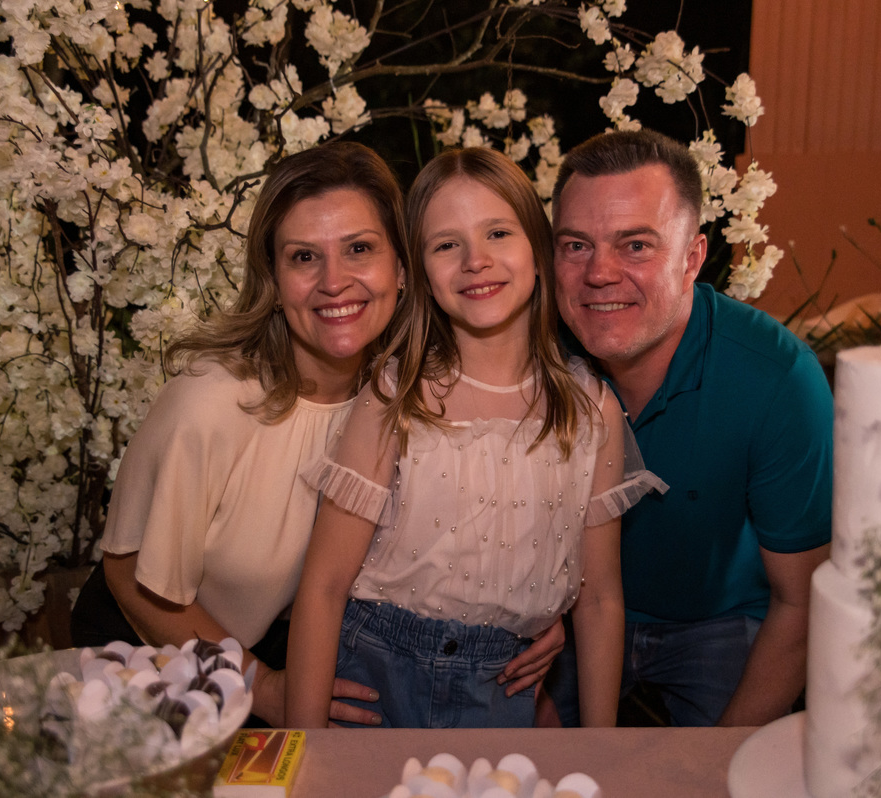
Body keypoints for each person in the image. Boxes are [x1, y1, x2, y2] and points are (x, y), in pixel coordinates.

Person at [69, 142, 560, 726]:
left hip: (289, 655)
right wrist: (258, 686)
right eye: (304, 257)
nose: (335, 281)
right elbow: (133, 581)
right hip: (146, 667)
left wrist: (523, 608)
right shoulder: (211, 403)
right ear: (274, 280)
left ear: (402, 269)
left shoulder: (407, 396)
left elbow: (452, 535)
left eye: (359, 249)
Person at [285, 147, 664, 729]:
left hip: (504, 686)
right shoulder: (395, 397)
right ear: (417, 272)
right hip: (374, 678)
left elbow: (600, 598)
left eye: (497, 233)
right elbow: (324, 586)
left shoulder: (591, 411)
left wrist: (599, 744)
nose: (475, 261)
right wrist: (303, 746)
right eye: (446, 244)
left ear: (540, 252)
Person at [547, 129, 833, 728]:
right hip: (565, 613)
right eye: (576, 245)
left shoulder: (777, 379)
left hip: (719, 620)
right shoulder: (529, 357)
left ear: (693, 258)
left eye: (636, 246)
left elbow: (802, 601)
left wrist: (719, 767)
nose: (599, 273)